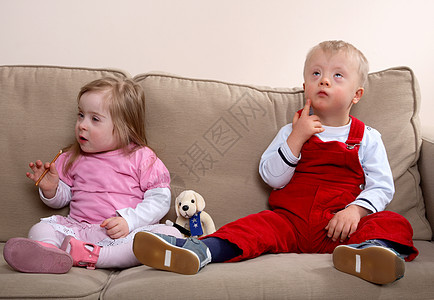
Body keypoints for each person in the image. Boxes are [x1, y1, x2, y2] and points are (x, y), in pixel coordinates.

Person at [132, 40, 419, 285]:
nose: (325, 80)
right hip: (289, 223)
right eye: (316, 73)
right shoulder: (290, 131)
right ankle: (199, 251)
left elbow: (381, 187)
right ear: (305, 84)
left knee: (394, 222)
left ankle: (368, 253)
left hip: (339, 228)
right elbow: (273, 177)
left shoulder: (367, 137)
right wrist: (297, 136)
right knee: (254, 226)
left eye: (337, 75)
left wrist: (355, 211)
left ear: (357, 94)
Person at [3, 77, 180, 273]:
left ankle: (95, 257)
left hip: (123, 234)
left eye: (94, 119)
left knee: (170, 234)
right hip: (79, 230)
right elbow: (64, 198)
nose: (82, 125)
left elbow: (159, 199)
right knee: (39, 229)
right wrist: (52, 189)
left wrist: (130, 221)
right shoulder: (72, 157)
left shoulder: (142, 157)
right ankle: (51, 254)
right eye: (80, 115)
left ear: (124, 127)